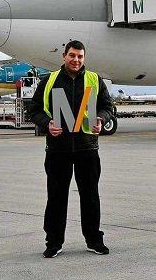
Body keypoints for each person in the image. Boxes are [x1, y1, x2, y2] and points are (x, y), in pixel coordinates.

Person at [29, 40, 115, 258]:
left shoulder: (94, 80)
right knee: (56, 198)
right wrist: (46, 123)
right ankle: (54, 242)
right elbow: (35, 109)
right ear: (64, 56)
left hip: (88, 148)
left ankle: (94, 240)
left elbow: (107, 107)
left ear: (84, 58)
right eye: (72, 56)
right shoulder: (49, 81)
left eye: (80, 56)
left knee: (90, 196)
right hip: (58, 150)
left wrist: (101, 119)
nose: (76, 60)